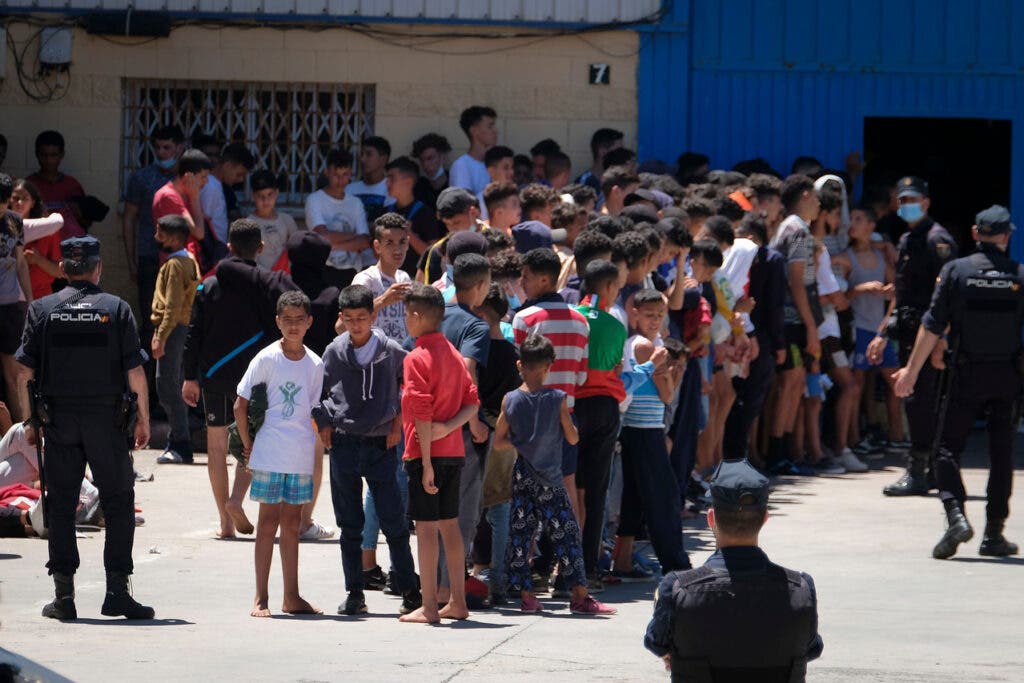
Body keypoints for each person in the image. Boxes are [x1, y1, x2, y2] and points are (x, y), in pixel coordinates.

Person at [16, 235, 154, 621]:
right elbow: (135, 371)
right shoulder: (117, 308)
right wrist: (142, 418)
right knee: (119, 502)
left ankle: (64, 597)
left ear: (62, 269)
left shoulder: (42, 310)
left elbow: (25, 371)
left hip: (58, 420)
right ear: (97, 268)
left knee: (60, 505)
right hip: (106, 422)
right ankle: (116, 593)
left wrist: (30, 422)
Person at [893, 205, 1023, 559]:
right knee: (1001, 454)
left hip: (966, 373)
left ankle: (955, 517)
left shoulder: (956, 271)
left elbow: (932, 324)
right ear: (1006, 236)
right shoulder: (1018, 275)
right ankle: (993, 534)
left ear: (975, 233)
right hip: (1007, 376)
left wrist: (911, 370)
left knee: (947, 448)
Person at [645, 459, 823, 681]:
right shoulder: (802, 587)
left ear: (711, 519)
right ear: (765, 518)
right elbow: (812, 648)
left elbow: (656, 642)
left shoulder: (677, 587)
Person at [182, 219, 298, 539]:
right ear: (260, 248)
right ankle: (236, 498)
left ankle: (224, 522)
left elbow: (194, 333)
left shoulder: (209, 285)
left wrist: (188, 376)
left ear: (229, 247)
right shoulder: (265, 284)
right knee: (252, 443)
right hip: (253, 377)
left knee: (216, 446)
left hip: (214, 375)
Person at [315, 285, 422, 616]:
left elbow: (412, 384)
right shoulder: (334, 351)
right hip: (344, 443)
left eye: (362, 318)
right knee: (350, 524)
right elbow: (317, 392)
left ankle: (409, 588)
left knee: (394, 521)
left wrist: (398, 423)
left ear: (373, 317)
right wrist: (324, 425)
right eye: (349, 319)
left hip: (381, 443)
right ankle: (354, 592)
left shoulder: (390, 351)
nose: (356, 325)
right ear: (341, 319)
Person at [492, 334, 616, 615]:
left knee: (522, 536)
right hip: (550, 478)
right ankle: (580, 596)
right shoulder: (558, 398)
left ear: (520, 364)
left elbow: (499, 442)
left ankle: (526, 596)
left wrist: (522, 442)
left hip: (523, 474)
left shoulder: (510, 400)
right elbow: (572, 439)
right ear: (549, 367)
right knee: (567, 535)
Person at [234, 290, 324, 617]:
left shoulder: (315, 364)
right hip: (270, 453)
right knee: (268, 521)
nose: (294, 325)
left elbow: (314, 409)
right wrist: (248, 444)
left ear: (310, 322)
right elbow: (240, 403)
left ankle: (292, 596)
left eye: (300, 319)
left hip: (299, 453)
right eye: (287, 320)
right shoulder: (266, 358)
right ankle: (261, 597)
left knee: (292, 522)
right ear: (277, 322)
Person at [399, 283, 480, 624]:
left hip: (425, 455)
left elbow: (421, 409)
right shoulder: (452, 352)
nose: (405, 321)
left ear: (417, 317)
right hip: (454, 452)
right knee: (451, 527)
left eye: (406, 315)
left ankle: (430, 606)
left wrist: (427, 462)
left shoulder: (416, 357)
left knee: (427, 530)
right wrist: (450, 428)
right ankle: (457, 602)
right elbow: (472, 401)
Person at [872, 176, 958, 496]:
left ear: (926, 203)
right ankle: (931, 469)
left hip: (930, 336)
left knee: (922, 402)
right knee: (916, 401)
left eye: (912, 200)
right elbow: (902, 293)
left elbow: (948, 297)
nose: (906, 206)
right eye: (902, 200)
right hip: (909, 331)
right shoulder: (908, 239)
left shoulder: (938, 241)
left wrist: (942, 341)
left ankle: (920, 471)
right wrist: (884, 332)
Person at [613, 289, 691, 578]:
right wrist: (669, 372)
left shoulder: (645, 343)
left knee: (634, 498)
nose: (655, 320)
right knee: (664, 496)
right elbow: (667, 394)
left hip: (637, 429)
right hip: (646, 429)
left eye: (660, 315)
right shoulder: (647, 346)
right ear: (634, 314)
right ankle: (676, 563)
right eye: (649, 315)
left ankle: (621, 560)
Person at [123, 125, 185, 344]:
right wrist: (132, 261)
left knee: (180, 321)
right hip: (149, 259)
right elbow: (129, 219)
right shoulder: (142, 178)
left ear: (180, 148)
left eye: (167, 147)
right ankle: (147, 376)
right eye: (157, 147)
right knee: (151, 321)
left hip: (181, 260)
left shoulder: (186, 179)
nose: (161, 153)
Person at [151, 215, 201, 464]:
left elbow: (171, 305)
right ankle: (177, 441)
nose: (156, 238)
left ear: (172, 238)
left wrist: (160, 336)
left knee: (166, 386)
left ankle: (180, 445)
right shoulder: (189, 260)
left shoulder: (173, 265)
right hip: (180, 328)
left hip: (172, 330)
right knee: (173, 384)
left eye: (160, 233)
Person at [304, 149, 372, 289]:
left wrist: (334, 245)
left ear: (350, 174)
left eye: (345, 174)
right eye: (336, 174)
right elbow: (322, 237)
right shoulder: (315, 200)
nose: (340, 180)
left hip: (352, 272)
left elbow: (365, 241)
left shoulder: (355, 203)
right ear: (327, 172)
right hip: (323, 270)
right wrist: (354, 238)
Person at [0, 175, 34, 423]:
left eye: (5, 201)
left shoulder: (14, 221)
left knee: (14, 374)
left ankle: (21, 433)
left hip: (11, 306)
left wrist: (30, 300)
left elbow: (20, 262)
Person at [352, 212, 412, 342]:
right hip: (373, 359)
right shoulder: (365, 279)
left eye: (402, 242)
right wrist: (383, 301)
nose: (397, 250)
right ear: (377, 246)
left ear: (408, 244)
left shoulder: (405, 278)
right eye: (389, 243)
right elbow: (342, 326)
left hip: (401, 358)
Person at [151, 149, 212, 268]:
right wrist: (195, 198)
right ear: (188, 176)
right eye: (203, 177)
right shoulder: (169, 197)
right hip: (176, 269)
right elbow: (199, 233)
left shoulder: (187, 194)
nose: (206, 181)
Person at [386, 156, 443, 276]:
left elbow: (435, 255)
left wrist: (409, 235)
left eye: (392, 178)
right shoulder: (386, 211)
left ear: (408, 182)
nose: (387, 183)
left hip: (415, 280)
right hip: (389, 279)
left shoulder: (425, 213)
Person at [9, 179, 64, 301]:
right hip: (8, 300)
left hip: (41, 299)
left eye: (25, 198)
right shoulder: (4, 227)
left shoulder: (47, 229)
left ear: (33, 202)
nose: (19, 202)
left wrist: (39, 260)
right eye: (15, 198)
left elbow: (59, 272)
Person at [26, 130, 86, 239]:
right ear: (37, 154)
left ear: (62, 155)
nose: (49, 160)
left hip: (68, 248)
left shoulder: (72, 185)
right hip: (36, 247)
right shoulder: (28, 186)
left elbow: (85, 223)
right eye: (44, 155)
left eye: (53, 155)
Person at [416, 186, 482, 284]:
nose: (452, 229)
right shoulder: (438, 251)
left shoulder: (493, 239)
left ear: (472, 212)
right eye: (447, 224)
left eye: (456, 222)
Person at [201, 142, 255, 244]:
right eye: (239, 174)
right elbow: (205, 223)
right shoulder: (210, 187)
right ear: (227, 165)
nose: (240, 180)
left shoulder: (217, 185)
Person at [247, 170, 300, 272]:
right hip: (260, 281)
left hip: (285, 280)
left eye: (269, 194)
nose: (265, 201)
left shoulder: (287, 220)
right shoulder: (248, 224)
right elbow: (247, 261)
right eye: (260, 196)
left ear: (276, 193)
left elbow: (297, 252)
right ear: (253, 195)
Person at [449, 106, 498, 195]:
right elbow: (465, 204)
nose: (495, 131)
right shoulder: (462, 165)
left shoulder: (495, 164)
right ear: (474, 131)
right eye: (490, 126)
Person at [349, 136, 394, 224]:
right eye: (361, 154)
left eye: (369, 154)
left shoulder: (391, 190)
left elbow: (387, 226)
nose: (362, 159)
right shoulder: (349, 189)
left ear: (383, 159)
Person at [577, 128, 624, 198]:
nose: (623, 155)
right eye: (619, 151)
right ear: (602, 152)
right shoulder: (584, 183)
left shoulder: (621, 182)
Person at [411, 133, 451, 207]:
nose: (425, 164)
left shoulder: (454, 184)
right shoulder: (420, 188)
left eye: (430, 158)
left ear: (443, 157)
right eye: (421, 160)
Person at [477, 145, 515, 219]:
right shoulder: (481, 200)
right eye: (506, 168)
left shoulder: (516, 196)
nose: (511, 172)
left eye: (512, 167)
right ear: (491, 171)